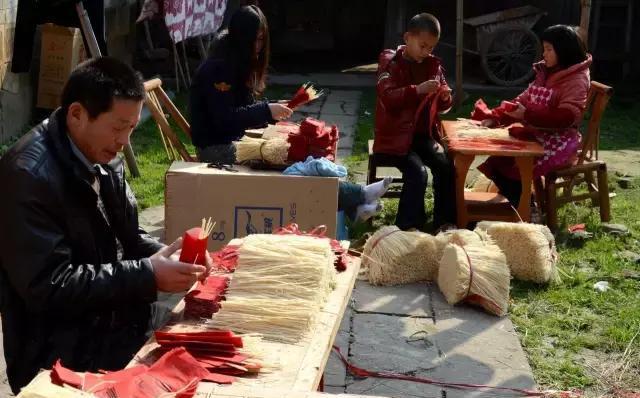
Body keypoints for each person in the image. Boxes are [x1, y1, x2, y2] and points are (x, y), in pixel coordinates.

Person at [0, 57, 211, 393]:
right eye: (117, 128)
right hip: (60, 355)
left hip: (120, 328)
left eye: (131, 128)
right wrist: (148, 273)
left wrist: (171, 257)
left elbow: (128, 237)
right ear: (77, 115)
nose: (125, 142)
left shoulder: (104, 155)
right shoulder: (27, 177)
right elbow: (50, 285)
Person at [190, 5, 389, 222]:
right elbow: (224, 120)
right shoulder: (219, 68)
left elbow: (243, 109)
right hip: (216, 150)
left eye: (262, 40)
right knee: (294, 166)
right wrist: (266, 110)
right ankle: (358, 195)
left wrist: (271, 108)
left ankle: (353, 205)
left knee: (297, 152)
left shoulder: (235, 60)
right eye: (255, 40)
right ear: (241, 38)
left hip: (236, 141)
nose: (259, 47)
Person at [477, 25, 591, 206]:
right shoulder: (546, 71)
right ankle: (522, 203)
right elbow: (524, 98)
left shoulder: (576, 79)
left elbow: (567, 117)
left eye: (548, 49)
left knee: (513, 165)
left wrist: (528, 115)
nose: (544, 54)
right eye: (544, 49)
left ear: (564, 50)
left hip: (559, 141)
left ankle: (526, 208)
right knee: (497, 160)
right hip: (538, 135)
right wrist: (497, 116)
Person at [373, 12, 456, 232]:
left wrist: (446, 97)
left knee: (446, 166)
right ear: (407, 37)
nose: (427, 52)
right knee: (418, 173)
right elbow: (388, 97)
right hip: (394, 138)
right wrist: (417, 90)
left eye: (431, 47)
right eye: (422, 45)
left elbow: (443, 106)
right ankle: (408, 227)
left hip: (421, 136)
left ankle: (444, 223)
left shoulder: (433, 65)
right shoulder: (390, 63)